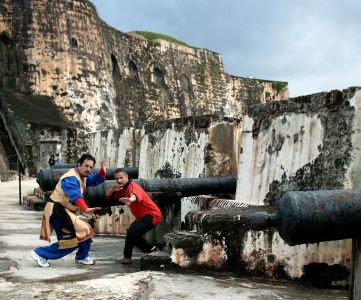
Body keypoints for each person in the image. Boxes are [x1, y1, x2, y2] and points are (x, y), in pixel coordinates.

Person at [31, 153, 106, 268]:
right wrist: (86, 209)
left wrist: (102, 172)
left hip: (64, 211)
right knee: (70, 240)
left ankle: (82, 256)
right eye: (86, 166)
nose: (88, 169)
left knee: (85, 231)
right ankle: (40, 253)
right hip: (57, 211)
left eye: (91, 167)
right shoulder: (70, 178)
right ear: (79, 164)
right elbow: (76, 196)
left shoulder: (81, 176)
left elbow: (94, 180)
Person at [105, 168, 162, 264]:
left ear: (127, 177)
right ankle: (151, 250)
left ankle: (128, 257)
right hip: (144, 217)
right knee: (132, 234)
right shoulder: (122, 188)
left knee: (132, 231)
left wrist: (131, 200)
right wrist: (112, 188)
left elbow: (134, 195)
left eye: (121, 178)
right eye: (116, 179)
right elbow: (107, 195)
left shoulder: (133, 186)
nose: (119, 180)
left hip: (153, 215)